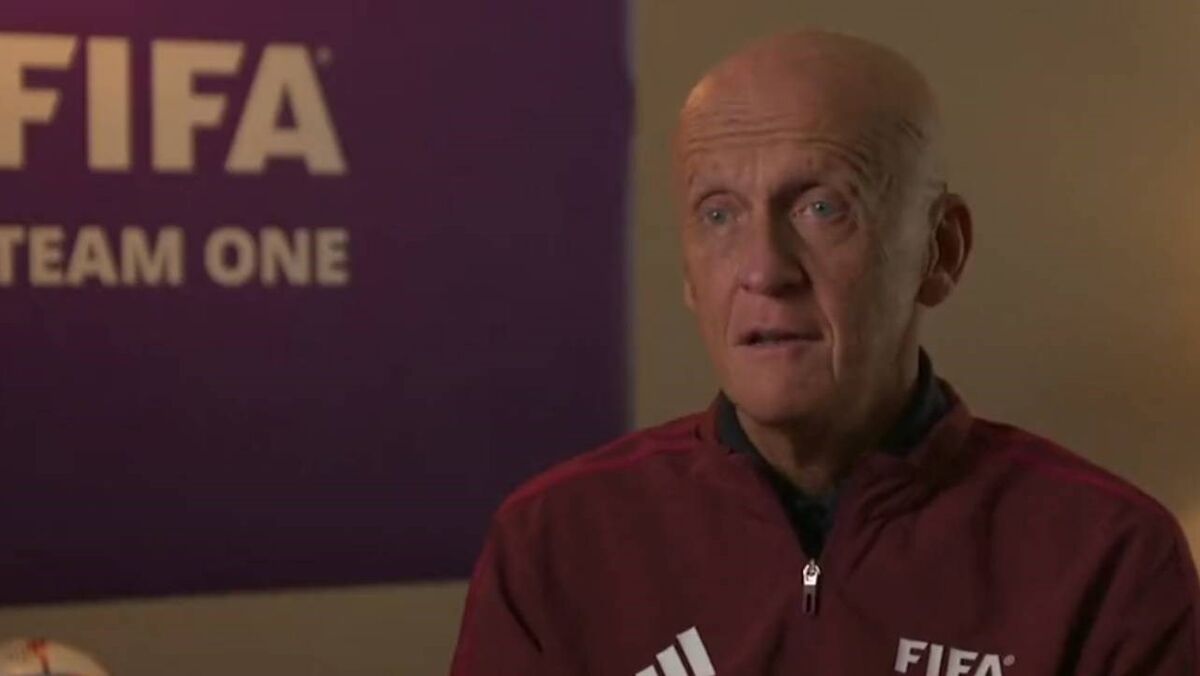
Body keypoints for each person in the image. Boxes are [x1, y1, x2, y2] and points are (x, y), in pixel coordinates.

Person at [451, 29, 1200, 675]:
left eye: (821, 207)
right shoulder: (554, 545)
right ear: (688, 274)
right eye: (719, 215)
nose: (764, 269)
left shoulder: (1107, 559)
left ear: (940, 251)